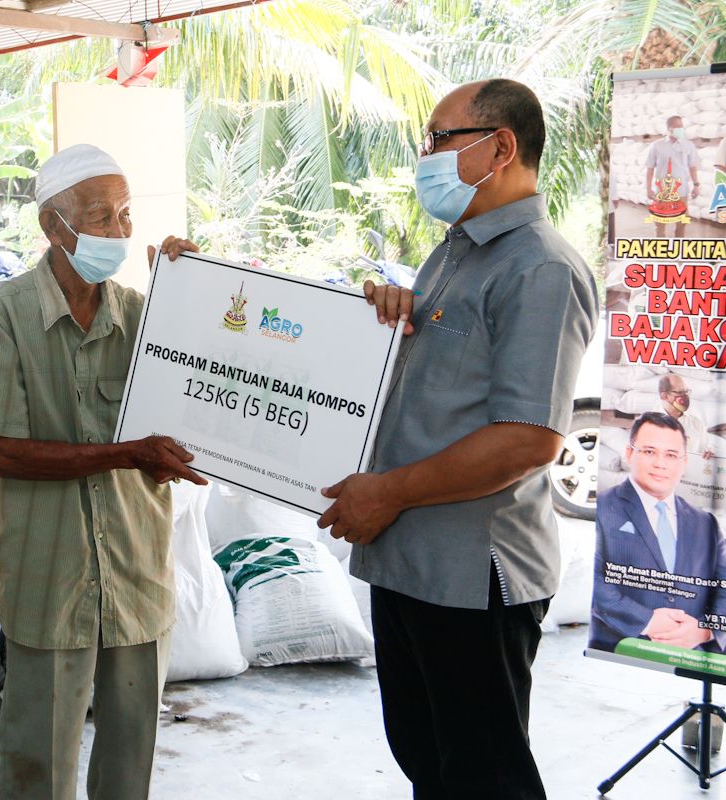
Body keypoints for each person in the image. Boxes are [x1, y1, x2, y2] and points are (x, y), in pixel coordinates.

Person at [318, 79, 598, 800]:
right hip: (409, 562)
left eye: (439, 139)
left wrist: (388, 492)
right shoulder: (456, 252)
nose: (426, 156)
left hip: (473, 576)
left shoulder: (539, 266)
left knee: (484, 779)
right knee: (429, 764)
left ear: (499, 147)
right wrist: (386, 318)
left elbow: (527, 439)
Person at [0, 143, 206, 800]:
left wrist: (193, 296)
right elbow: (6, 451)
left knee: (131, 756)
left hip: (134, 569)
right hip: (51, 574)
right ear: (53, 225)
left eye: (125, 215)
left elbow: (209, 395)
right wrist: (127, 455)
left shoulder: (140, 317)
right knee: (38, 757)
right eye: (101, 216)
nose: (119, 231)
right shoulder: (3, 315)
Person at [590, 413, 726, 653]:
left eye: (671, 455)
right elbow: (595, 580)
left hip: (695, 652)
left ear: (684, 462)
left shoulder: (705, 523)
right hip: (620, 648)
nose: (660, 464)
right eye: (649, 452)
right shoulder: (603, 508)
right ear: (630, 454)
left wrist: (706, 628)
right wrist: (647, 620)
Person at [645, 115, 700, 238]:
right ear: (669, 128)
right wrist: (648, 188)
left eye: (682, 126)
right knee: (660, 221)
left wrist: (696, 185)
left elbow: (693, 167)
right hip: (662, 191)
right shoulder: (657, 145)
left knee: (682, 220)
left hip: (682, 190)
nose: (681, 129)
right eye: (678, 126)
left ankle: (678, 245)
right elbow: (650, 168)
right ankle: (660, 247)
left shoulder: (688, 145)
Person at [654, 373, 716, 460]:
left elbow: (705, 450)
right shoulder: (649, 424)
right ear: (664, 396)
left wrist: (709, 453)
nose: (685, 396)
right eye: (679, 392)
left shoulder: (696, 424)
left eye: (686, 392)